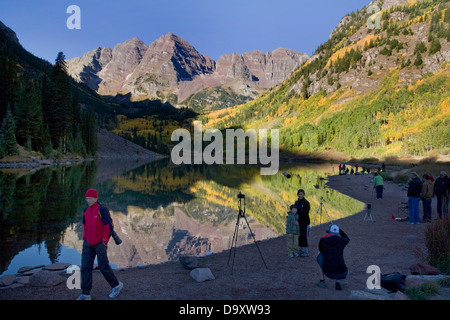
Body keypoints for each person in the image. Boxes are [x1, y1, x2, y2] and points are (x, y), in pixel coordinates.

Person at [77, 189, 123, 300]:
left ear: (96, 198)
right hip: (88, 243)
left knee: (103, 267)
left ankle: (116, 286)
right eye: (87, 198)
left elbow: (107, 226)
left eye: (90, 198)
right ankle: (86, 294)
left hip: (99, 243)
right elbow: (84, 224)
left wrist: (104, 241)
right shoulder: (86, 210)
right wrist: (84, 238)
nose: (88, 200)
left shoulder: (102, 209)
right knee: (85, 268)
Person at [316, 224, 350, 291]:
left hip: (328, 270)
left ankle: (322, 281)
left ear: (329, 232)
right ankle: (338, 281)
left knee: (319, 256)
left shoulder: (323, 240)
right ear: (338, 232)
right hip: (342, 272)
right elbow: (347, 238)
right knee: (339, 259)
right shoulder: (341, 241)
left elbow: (321, 250)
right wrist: (340, 230)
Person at [295, 189, 310, 257]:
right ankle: (301, 250)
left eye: (301, 194)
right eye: (299, 194)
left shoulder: (306, 203)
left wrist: (299, 220)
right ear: (297, 194)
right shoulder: (296, 202)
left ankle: (305, 251)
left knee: (304, 236)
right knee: (299, 236)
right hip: (298, 222)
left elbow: (305, 213)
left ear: (304, 194)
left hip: (305, 222)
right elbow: (295, 211)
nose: (300, 195)